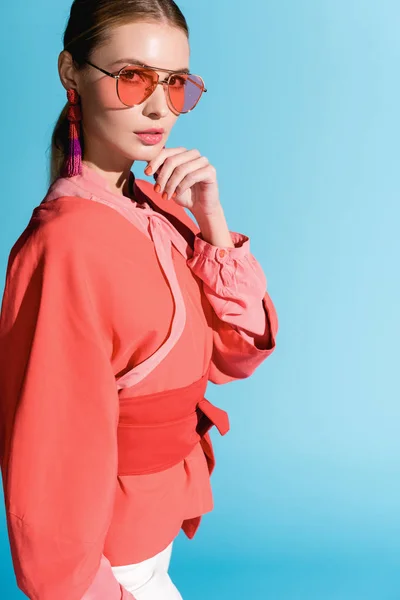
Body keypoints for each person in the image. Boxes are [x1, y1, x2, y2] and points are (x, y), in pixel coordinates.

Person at [0, 1, 279, 598]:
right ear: (71, 73)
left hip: (158, 530)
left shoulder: (162, 206)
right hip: (109, 562)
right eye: (132, 77)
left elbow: (237, 353)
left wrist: (213, 225)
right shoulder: (65, 245)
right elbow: (49, 459)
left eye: (175, 83)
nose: (159, 107)